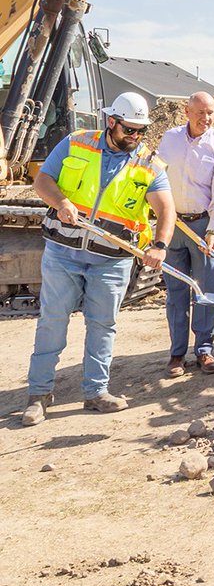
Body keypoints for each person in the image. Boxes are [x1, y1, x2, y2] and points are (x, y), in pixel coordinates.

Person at [22, 92, 175, 425]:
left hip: (112, 261)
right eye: (129, 130)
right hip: (63, 253)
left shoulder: (149, 164)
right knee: (52, 322)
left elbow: (166, 209)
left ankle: (96, 392)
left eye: (141, 131)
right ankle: (38, 395)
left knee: (103, 325)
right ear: (111, 122)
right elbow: (43, 179)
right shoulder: (76, 143)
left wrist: (159, 246)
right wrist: (61, 202)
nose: (135, 137)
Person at [156, 91, 214, 376]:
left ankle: (204, 350)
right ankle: (177, 354)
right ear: (187, 112)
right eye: (201, 113)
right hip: (173, 225)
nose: (207, 118)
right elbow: (155, 177)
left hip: (204, 226)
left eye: (211, 112)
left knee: (206, 290)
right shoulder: (170, 139)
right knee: (176, 291)